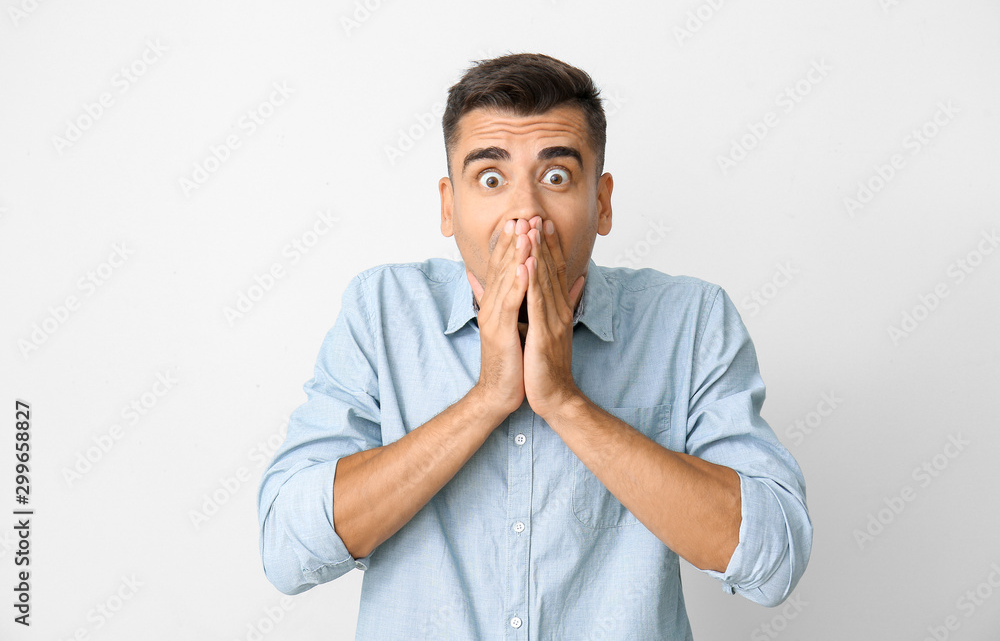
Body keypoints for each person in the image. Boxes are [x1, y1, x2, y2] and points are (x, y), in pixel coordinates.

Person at [257, 52, 812, 639]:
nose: (525, 212)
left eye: (556, 177)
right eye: (490, 179)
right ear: (449, 205)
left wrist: (565, 402)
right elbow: (288, 552)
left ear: (602, 203)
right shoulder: (381, 310)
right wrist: (487, 398)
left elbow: (773, 563)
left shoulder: (690, 321)